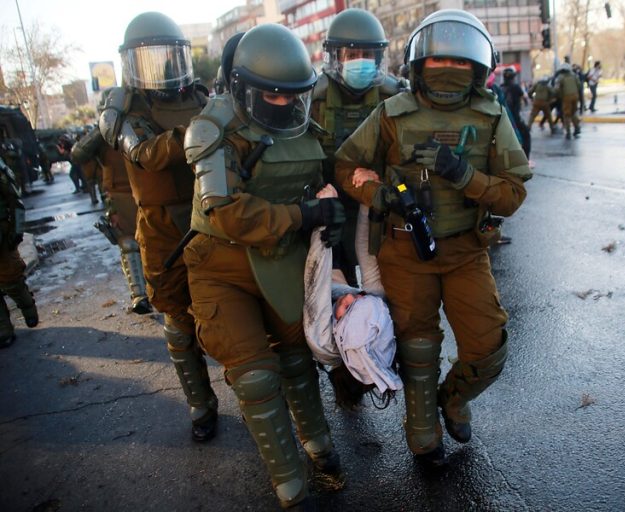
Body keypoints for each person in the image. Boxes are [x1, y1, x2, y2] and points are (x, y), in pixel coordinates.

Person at [335, 9, 532, 467]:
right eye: (441, 60)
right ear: (418, 65)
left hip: (466, 250)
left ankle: (453, 400)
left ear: (480, 68)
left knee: (488, 347)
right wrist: (382, 194)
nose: (451, 69)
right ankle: (422, 430)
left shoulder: (490, 115)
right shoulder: (391, 114)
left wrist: (463, 174)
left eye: (462, 62)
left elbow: (513, 194)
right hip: (405, 250)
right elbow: (346, 166)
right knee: (418, 344)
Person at [183, 23, 345, 509]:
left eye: (292, 95)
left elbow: (318, 180)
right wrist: (303, 215)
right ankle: (289, 482)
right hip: (220, 263)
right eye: (270, 94)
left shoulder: (303, 123)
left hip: (281, 258)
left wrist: (328, 215)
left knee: (298, 360)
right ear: (241, 88)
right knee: (255, 373)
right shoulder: (211, 129)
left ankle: (318, 446)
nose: (283, 104)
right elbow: (227, 210)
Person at [99, 11, 218, 442]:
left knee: (228, 308)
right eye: (149, 59)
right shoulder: (124, 107)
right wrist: (200, 131)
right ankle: (201, 405)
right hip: (161, 228)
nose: (161, 69)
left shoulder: (202, 96)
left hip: (210, 218)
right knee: (176, 319)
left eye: (167, 57)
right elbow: (146, 153)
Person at [311, 9, 407, 288]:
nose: (360, 62)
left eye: (367, 55)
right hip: (330, 207)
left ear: (378, 58)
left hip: (379, 203)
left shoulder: (395, 96)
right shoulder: (313, 100)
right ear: (335, 58)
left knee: (388, 286)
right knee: (338, 290)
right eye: (351, 56)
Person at [72, 98, 152, 315]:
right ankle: (139, 294)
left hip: (150, 191)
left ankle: (158, 290)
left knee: (158, 243)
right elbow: (78, 154)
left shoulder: (143, 121)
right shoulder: (103, 135)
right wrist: (103, 128)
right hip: (120, 195)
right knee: (128, 244)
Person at [0, 155, 38, 348]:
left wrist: (16, 231)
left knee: (12, 281)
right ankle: (4, 329)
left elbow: (15, 202)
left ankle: (28, 309)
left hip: (2, 234)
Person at [500, 67, 531, 158]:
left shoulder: (500, 87)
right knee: (526, 135)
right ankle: (526, 158)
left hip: (502, 119)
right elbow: (525, 98)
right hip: (515, 119)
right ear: (513, 77)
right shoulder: (516, 87)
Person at [555, 63, 582, 139]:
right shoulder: (574, 75)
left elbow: (557, 89)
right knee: (573, 112)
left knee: (567, 114)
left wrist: (559, 95)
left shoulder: (560, 77)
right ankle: (577, 128)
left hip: (566, 97)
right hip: (575, 95)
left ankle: (568, 132)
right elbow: (579, 85)